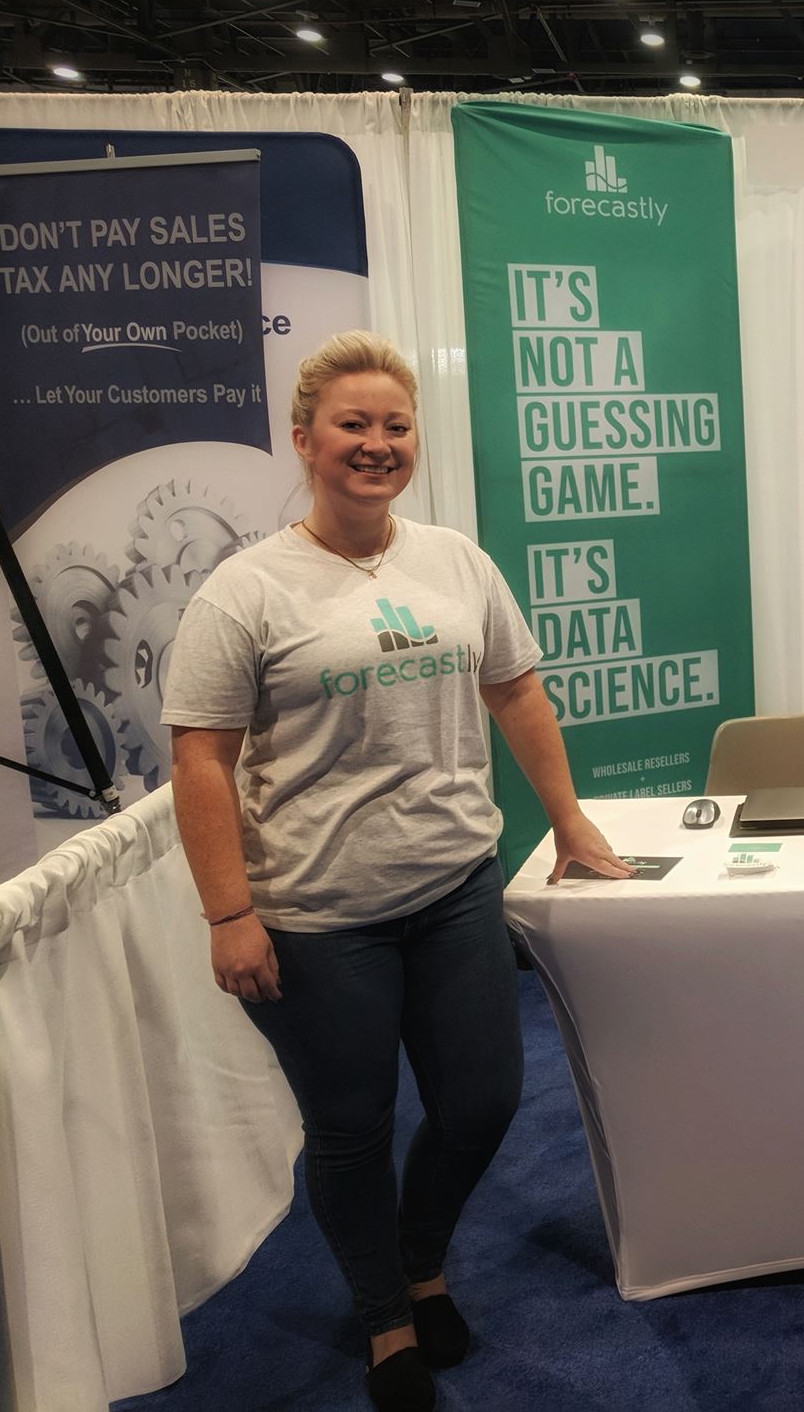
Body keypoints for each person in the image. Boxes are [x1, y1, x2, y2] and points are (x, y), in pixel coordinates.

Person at [163, 330, 631, 1412]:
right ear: (304, 440)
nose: (376, 445)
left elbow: (515, 689)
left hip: (455, 885)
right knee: (352, 1125)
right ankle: (385, 1316)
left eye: (395, 427)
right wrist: (228, 913)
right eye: (352, 426)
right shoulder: (245, 591)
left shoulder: (455, 560)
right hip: (318, 915)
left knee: (480, 1102)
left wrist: (566, 822)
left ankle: (422, 1260)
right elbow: (200, 758)